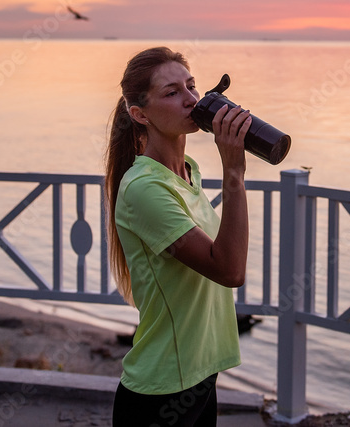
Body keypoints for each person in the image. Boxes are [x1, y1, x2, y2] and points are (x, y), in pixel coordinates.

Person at [104, 46, 252, 426]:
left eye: (191, 87)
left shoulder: (187, 172)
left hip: (202, 374)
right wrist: (234, 172)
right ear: (140, 114)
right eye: (171, 93)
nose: (191, 100)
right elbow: (230, 270)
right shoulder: (144, 189)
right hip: (162, 388)